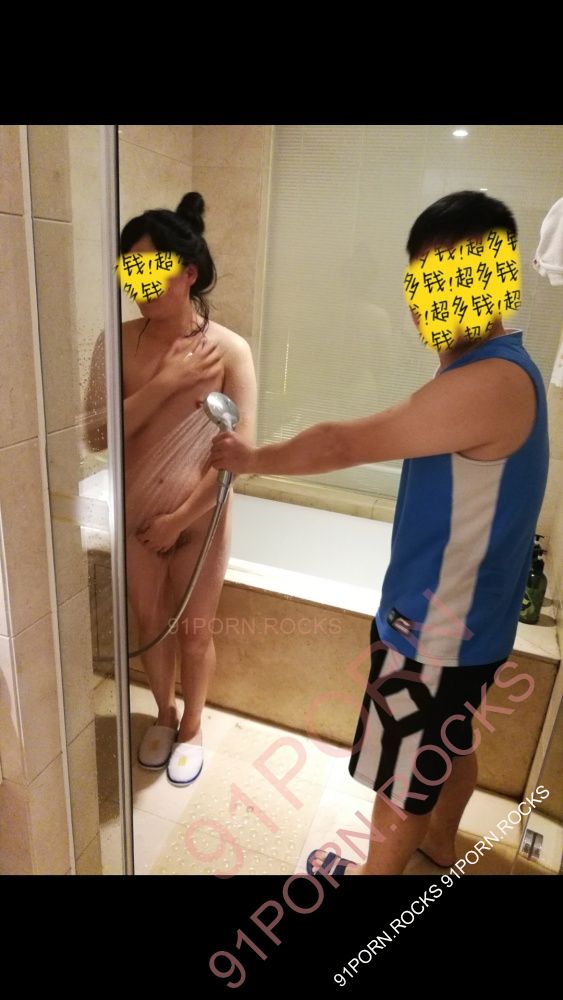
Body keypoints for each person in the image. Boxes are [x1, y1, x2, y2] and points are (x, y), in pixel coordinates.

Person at [209, 191, 549, 875]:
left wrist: (250, 458)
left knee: (400, 784)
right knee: (447, 745)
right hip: (469, 628)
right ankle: (438, 842)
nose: (430, 302)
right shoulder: (502, 367)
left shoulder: (489, 381)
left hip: (434, 630)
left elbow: (341, 443)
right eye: (424, 281)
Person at [85, 192, 257, 786]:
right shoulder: (117, 342)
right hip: (137, 517)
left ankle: (193, 726)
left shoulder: (230, 350)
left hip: (200, 518)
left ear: (188, 273)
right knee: (150, 619)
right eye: (129, 270)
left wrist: (179, 518)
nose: (140, 283)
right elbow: (96, 435)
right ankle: (163, 713)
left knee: (195, 630)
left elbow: (240, 455)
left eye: (152, 268)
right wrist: (165, 383)